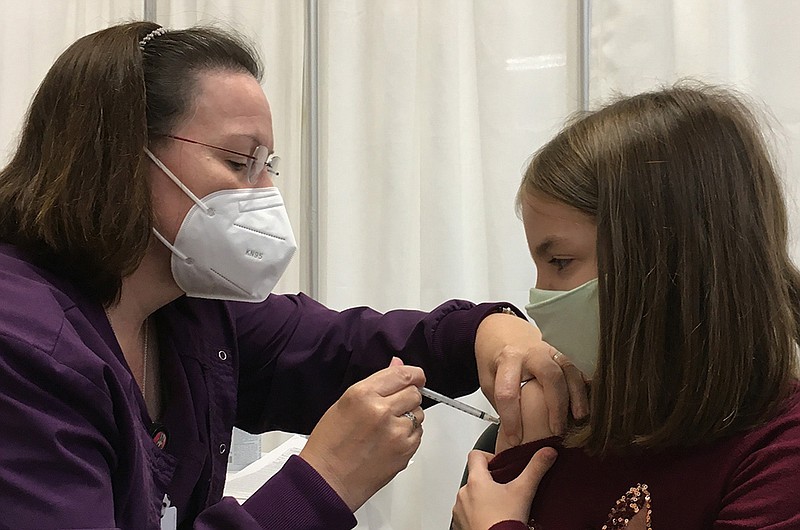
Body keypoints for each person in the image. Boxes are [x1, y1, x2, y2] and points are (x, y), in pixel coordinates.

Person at [0, 22, 587, 529]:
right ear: (120, 154)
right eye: (238, 162)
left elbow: (338, 346)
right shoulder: (24, 350)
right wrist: (322, 484)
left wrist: (489, 332)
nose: (267, 197)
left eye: (267, 167)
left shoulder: (188, 310)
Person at [452, 84, 800, 529]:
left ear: (667, 260)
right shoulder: (554, 425)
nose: (538, 298)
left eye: (560, 261)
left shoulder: (778, 455)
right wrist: (515, 454)